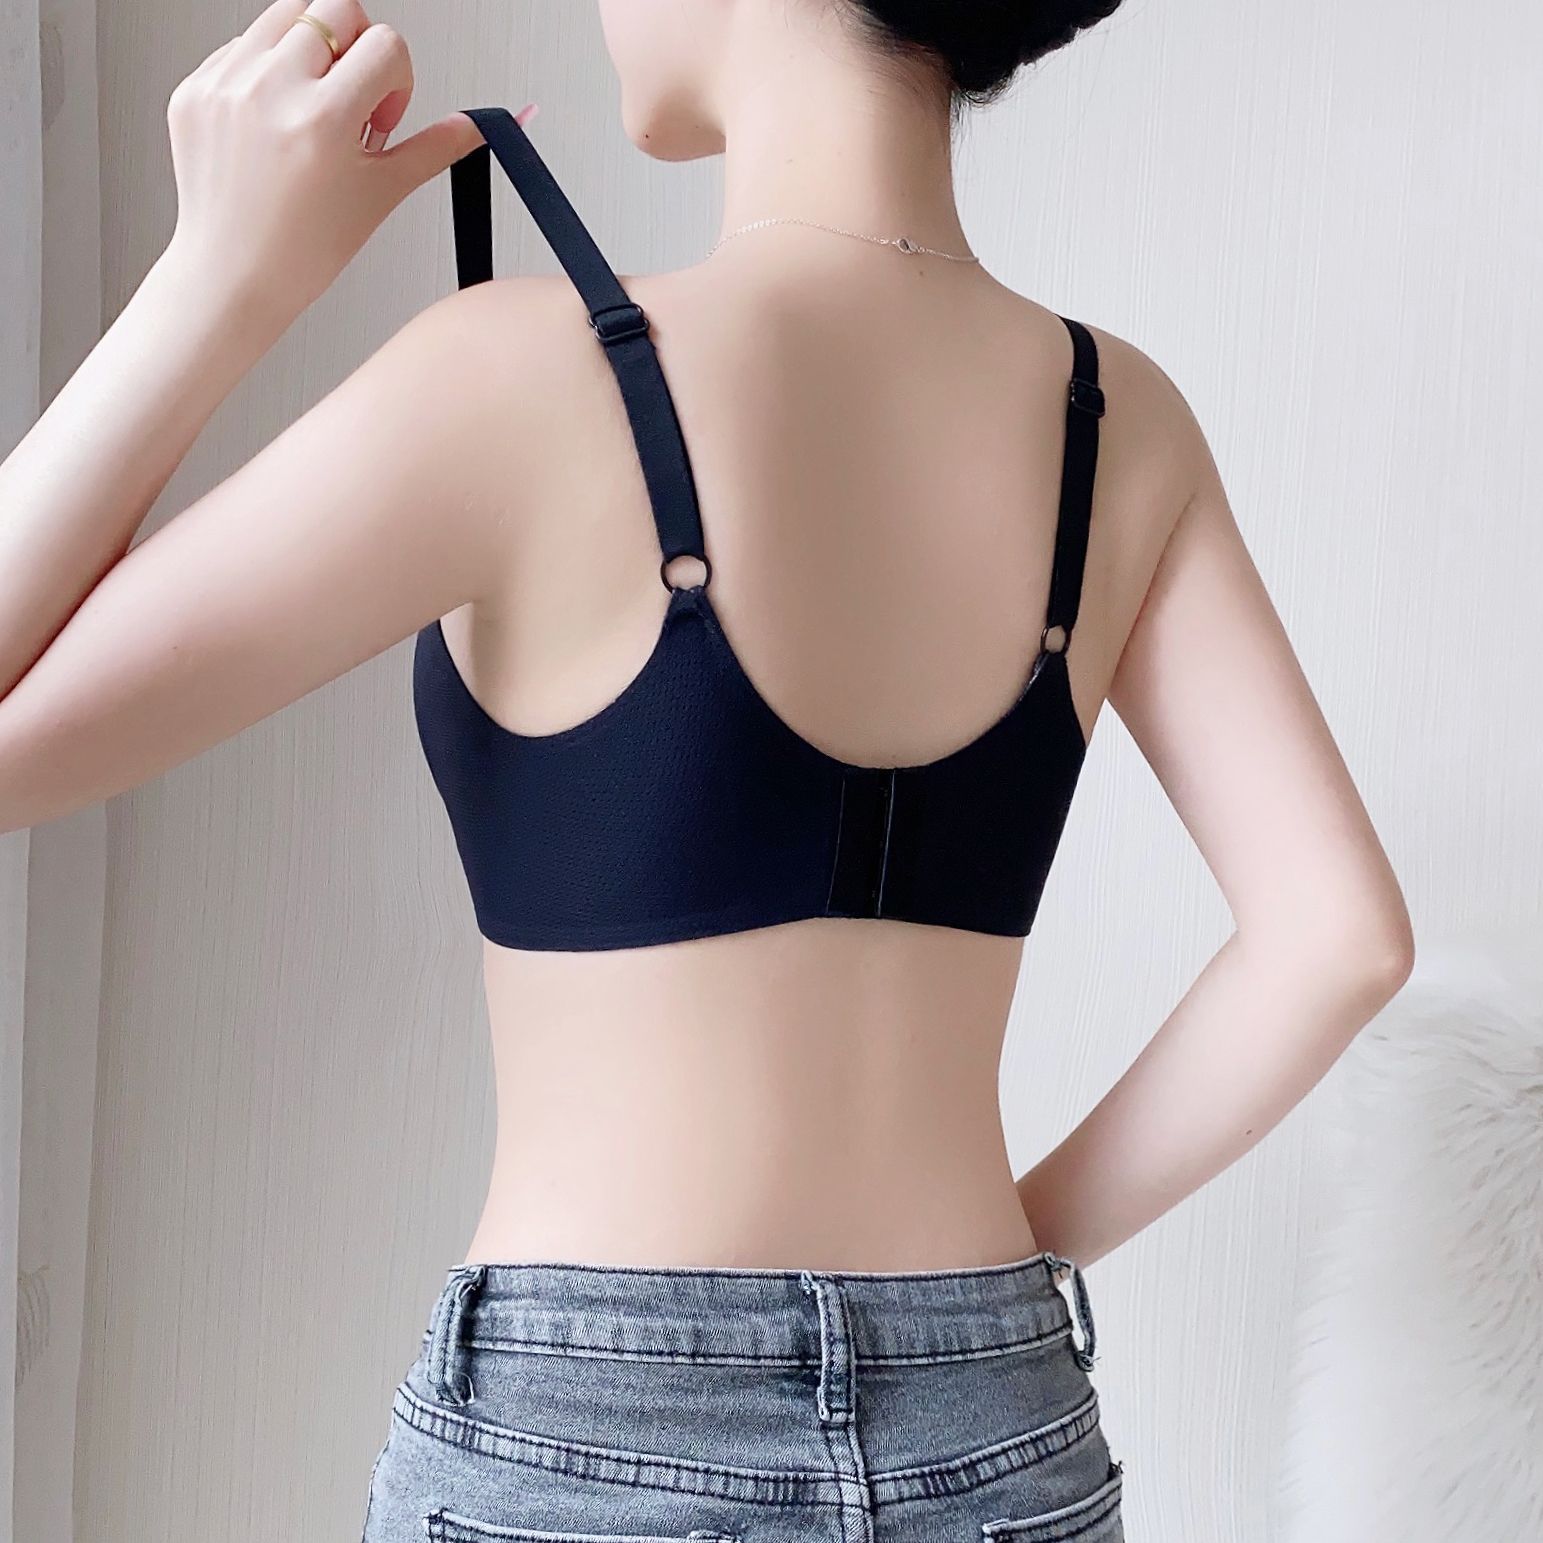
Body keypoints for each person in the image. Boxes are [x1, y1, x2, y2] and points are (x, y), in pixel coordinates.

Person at [0, 1, 1415, 1538]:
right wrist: (998, 1276)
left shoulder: (520, 371)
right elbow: (1336, 940)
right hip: (1000, 1430)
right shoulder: (1120, 415)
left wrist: (225, 270)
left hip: (590, 1443)